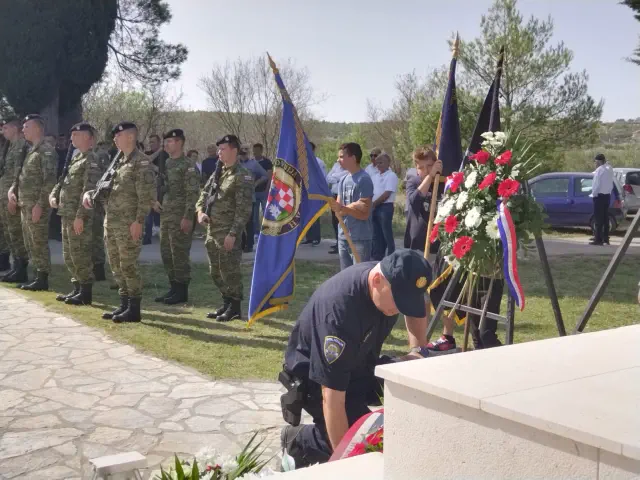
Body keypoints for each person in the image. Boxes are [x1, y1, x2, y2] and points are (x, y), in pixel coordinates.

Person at [279, 249, 433, 467]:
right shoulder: (338, 314)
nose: (400, 308)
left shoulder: (388, 282)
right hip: (316, 378)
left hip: (360, 363)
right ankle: (300, 441)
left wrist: (418, 351)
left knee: (406, 400)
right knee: (362, 442)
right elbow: (332, 397)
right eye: (399, 301)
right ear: (377, 280)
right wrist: (349, 467)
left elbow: (416, 309)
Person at [83, 122, 157, 323]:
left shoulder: (141, 162)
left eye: (119, 135)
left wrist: (139, 221)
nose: (114, 138)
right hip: (112, 222)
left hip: (128, 223)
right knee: (116, 265)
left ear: (131, 137)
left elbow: (146, 196)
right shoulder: (118, 161)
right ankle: (124, 304)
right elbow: (107, 188)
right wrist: (90, 194)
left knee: (128, 265)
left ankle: (134, 309)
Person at [195, 135, 253, 322]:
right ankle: (226, 302)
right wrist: (200, 212)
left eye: (223, 149)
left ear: (234, 150)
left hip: (228, 232)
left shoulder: (242, 175)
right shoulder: (218, 172)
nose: (219, 152)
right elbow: (204, 194)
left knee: (230, 271)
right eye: (218, 149)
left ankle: (235, 307)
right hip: (212, 231)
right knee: (215, 271)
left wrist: (233, 233)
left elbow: (244, 209)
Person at [49, 122, 101, 305]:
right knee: (70, 254)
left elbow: (89, 190)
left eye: (76, 135)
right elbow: (63, 180)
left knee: (80, 254)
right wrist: (53, 194)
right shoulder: (77, 158)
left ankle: (85, 293)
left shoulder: (91, 159)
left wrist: (80, 216)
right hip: (67, 213)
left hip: (78, 216)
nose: (71, 138)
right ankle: (77, 287)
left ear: (87, 137)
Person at [8, 114, 57, 291]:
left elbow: (50, 180)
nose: (23, 130)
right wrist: (12, 190)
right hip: (25, 204)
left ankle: (42, 278)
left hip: (36, 205)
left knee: (38, 242)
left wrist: (40, 205)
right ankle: (36, 275)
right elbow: (23, 175)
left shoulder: (46, 150)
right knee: (30, 242)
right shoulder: (30, 150)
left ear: (37, 128)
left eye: (26, 126)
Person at [153, 129, 200, 305]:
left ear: (179, 142)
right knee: (166, 252)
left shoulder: (188, 165)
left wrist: (188, 217)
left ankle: (181, 290)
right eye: (165, 141)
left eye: (170, 141)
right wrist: (156, 200)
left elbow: (193, 193)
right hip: (166, 214)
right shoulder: (167, 163)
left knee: (179, 253)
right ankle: (173, 287)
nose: (166, 145)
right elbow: (165, 186)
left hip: (180, 215)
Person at [329, 143, 374, 270]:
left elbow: (365, 213)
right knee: (346, 276)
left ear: (353, 158)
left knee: (359, 275)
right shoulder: (343, 180)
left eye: (341, 157)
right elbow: (338, 210)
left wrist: (346, 209)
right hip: (343, 236)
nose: (338, 160)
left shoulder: (364, 179)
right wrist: (351, 207)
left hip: (360, 238)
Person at [0, 118, 29, 281]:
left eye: (5, 128)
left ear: (14, 128)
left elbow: (19, 174)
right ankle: (15, 266)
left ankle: (21, 269)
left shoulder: (22, 147)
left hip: (12, 196)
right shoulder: (10, 146)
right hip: (4, 195)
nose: (3, 131)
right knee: (9, 232)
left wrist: (14, 196)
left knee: (16, 233)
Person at [238, 146, 268, 253]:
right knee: (237, 221)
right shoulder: (235, 163)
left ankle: (249, 245)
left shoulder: (254, 164)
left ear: (248, 152)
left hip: (249, 197)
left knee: (249, 222)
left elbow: (265, 175)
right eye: (242, 151)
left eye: (245, 151)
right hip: (236, 197)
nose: (243, 153)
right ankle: (240, 244)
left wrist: (256, 183)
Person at [371, 153, 398, 260]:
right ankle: (378, 256)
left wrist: (373, 204)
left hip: (385, 207)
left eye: (381, 162)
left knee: (386, 233)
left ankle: (391, 256)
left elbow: (387, 193)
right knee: (376, 233)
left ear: (388, 163)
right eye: (377, 163)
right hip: (375, 207)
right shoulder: (375, 176)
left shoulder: (391, 175)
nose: (378, 165)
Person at [91, 139, 111, 281]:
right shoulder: (83, 155)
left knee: (96, 236)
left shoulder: (100, 155)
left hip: (97, 201)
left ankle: (99, 270)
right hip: (87, 200)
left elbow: (106, 176)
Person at [302, 142, 327, 246]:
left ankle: (316, 238)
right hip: (305, 192)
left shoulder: (318, 162)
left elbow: (323, 177)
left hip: (316, 192)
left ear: (313, 150)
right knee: (306, 214)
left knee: (315, 215)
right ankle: (309, 237)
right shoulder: (302, 162)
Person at [143, 134, 166, 245]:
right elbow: (147, 161)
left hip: (162, 187)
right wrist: (159, 151)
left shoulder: (165, 155)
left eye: (153, 142)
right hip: (149, 187)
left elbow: (164, 172)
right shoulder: (147, 153)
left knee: (161, 210)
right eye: (150, 142)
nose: (151, 144)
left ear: (159, 142)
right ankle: (147, 237)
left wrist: (154, 168)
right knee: (148, 212)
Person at [590, 153, 614, 246]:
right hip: (607, 196)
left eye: (595, 162)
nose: (595, 164)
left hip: (599, 196)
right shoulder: (609, 169)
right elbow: (608, 166)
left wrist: (594, 194)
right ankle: (606, 239)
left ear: (598, 162)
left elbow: (596, 185)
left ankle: (598, 239)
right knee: (605, 218)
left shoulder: (599, 170)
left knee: (598, 219)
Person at [326, 159, 348, 254]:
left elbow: (343, 177)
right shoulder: (336, 165)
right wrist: (337, 178)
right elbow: (328, 178)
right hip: (334, 196)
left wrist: (335, 176)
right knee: (334, 221)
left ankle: (343, 244)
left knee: (341, 221)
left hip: (342, 197)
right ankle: (338, 242)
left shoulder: (349, 168)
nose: (339, 160)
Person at [252, 143, 273, 239]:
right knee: (255, 213)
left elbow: (269, 176)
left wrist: (267, 190)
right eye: (254, 150)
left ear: (261, 151)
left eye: (257, 150)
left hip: (264, 191)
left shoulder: (267, 162)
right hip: (254, 192)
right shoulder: (252, 162)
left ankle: (267, 231)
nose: (255, 152)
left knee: (266, 212)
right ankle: (256, 232)